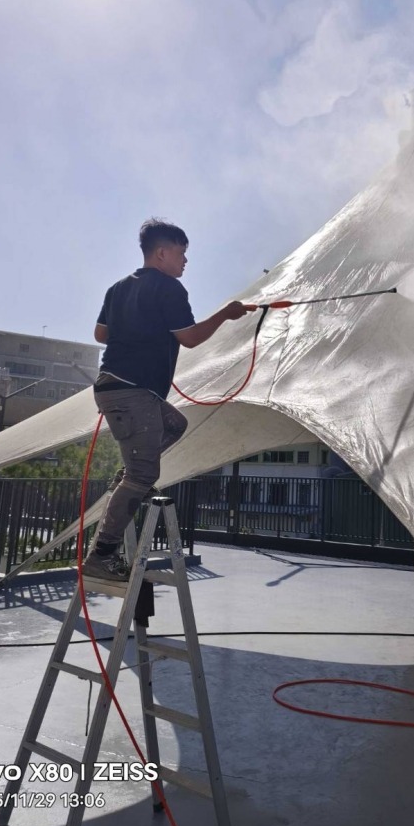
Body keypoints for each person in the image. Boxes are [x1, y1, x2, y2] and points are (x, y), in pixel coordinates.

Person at [83, 218, 251, 581]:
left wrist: (135, 326)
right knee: (145, 473)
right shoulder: (170, 288)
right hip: (133, 390)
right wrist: (226, 313)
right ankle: (102, 555)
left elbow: (100, 334)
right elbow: (189, 338)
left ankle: (127, 481)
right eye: (182, 253)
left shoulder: (117, 288)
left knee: (176, 424)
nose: (185, 261)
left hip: (114, 385)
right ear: (162, 253)